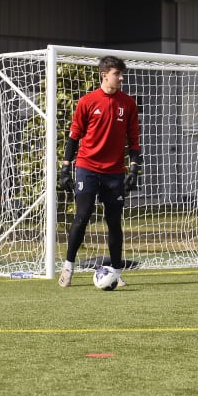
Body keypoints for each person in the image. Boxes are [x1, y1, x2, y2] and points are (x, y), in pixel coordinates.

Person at [57, 56, 142, 288]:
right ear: (105, 74)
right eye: (117, 74)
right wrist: (65, 169)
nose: (121, 78)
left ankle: (115, 271)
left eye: (122, 74)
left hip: (114, 172)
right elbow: (74, 137)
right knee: (82, 216)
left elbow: (134, 141)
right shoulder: (87, 101)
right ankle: (68, 267)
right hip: (87, 168)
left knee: (114, 222)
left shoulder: (128, 103)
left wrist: (134, 169)